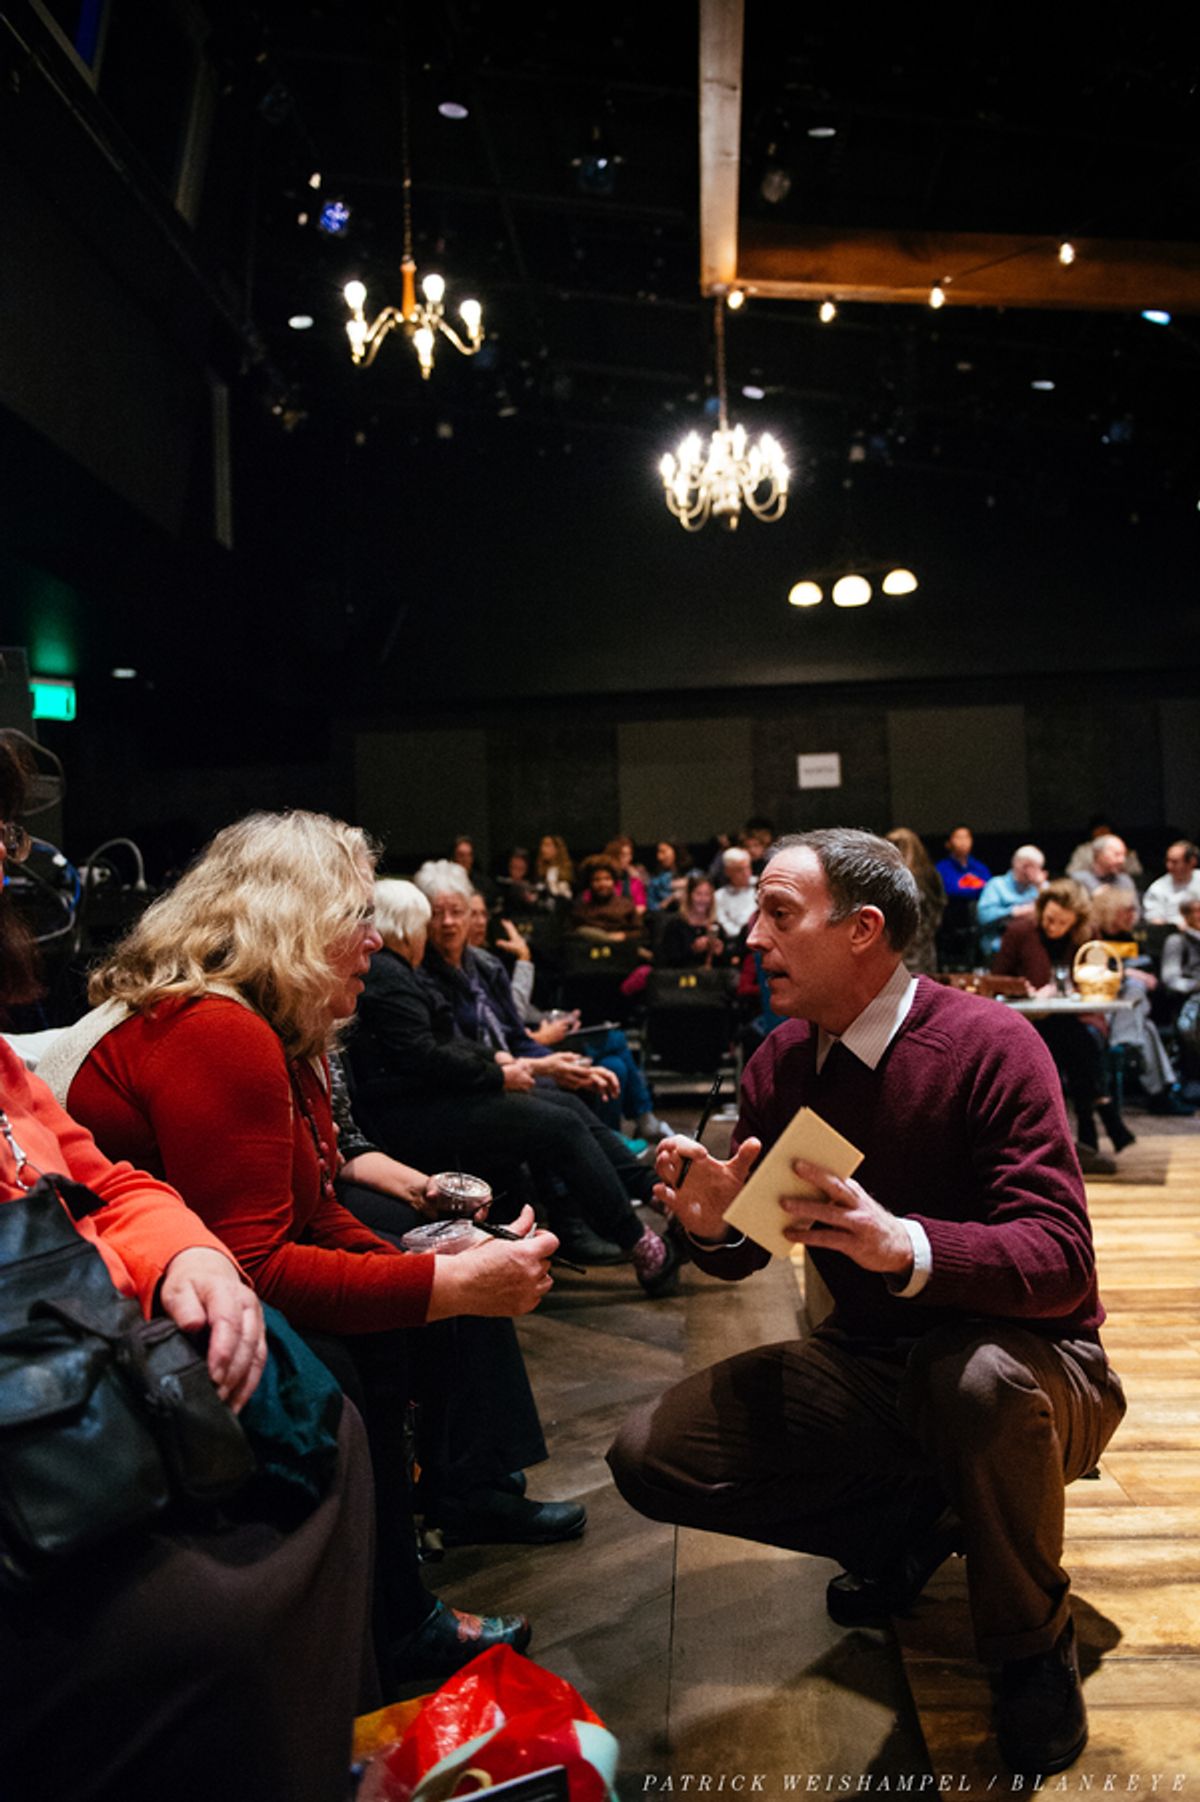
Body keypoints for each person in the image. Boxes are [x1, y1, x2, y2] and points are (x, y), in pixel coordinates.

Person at [607, 828, 1125, 1778]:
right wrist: (715, 1222)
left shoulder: (991, 1044)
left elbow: (1062, 1262)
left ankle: (1027, 1646)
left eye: (779, 915)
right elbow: (744, 1254)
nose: (751, 940)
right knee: (652, 1455)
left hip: (1037, 1371)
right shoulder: (781, 1065)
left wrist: (909, 1245)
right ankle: (923, 1520)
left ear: (864, 930)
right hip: (880, 1366)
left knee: (971, 1381)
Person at [44, 811, 557, 1687]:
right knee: (337, 1364)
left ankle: (394, 1602)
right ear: (293, 919)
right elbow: (261, 1267)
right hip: (93, 1308)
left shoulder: (277, 1027)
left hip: (163, 1276)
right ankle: (381, 1631)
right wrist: (445, 1283)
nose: (375, 941)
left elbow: (315, 1212)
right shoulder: (219, 1028)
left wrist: (438, 1269)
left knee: (397, 1315)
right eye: (356, 915)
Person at [0, 745, 373, 1802]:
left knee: (310, 1392)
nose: (8, 866)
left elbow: (97, 1175)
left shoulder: (271, 1025)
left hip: (65, 1337)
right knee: (310, 1411)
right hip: (46, 1369)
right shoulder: (222, 1026)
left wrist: (184, 1249)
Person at [350, 873, 683, 1289]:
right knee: (557, 1122)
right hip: (413, 1111)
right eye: (431, 920)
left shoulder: (407, 970)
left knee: (570, 1106)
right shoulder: (394, 973)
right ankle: (643, 1244)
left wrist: (502, 1061)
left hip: (432, 1095)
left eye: (460, 913)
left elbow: (445, 1043)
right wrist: (500, 1072)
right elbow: (425, 1055)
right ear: (408, 926)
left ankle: (658, 1197)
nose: (442, 927)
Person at [992, 878, 1132, 1166]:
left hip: (1074, 1016)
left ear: (1076, 921)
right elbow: (997, 979)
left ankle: (1091, 1137)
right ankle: (1100, 1118)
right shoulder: (1020, 931)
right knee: (1076, 1041)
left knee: (1075, 1038)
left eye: (1062, 923)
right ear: (1042, 909)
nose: (1053, 926)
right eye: (1049, 918)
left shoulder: (1086, 934)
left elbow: (1095, 977)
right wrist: (1025, 990)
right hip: (1033, 1019)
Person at [1087, 887, 1193, 1116]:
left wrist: (1141, 977)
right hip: (1102, 1006)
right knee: (1136, 997)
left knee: (1145, 1023)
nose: (1133, 915)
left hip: (1128, 1014)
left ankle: (1130, 1045)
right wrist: (1127, 974)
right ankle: (1160, 1094)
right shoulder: (1093, 936)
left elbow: (1151, 977)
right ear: (1111, 910)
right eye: (1127, 910)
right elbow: (1092, 973)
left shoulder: (1132, 937)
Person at [885, 828, 945, 973]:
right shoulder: (931, 875)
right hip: (925, 947)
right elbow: (939, 909)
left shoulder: (891, 880)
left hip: (896, 949)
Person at [976, 844, 1047, 962]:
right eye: (1034, 868)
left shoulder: (1040, 886)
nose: (1037, 872)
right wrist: (1013, 912)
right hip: (999, 944)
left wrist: (1040, 887)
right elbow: (983, 917)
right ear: (1022, 866)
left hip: (1032, 946)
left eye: (1038, 868)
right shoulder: (996, 885)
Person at [657, 873, 727, 967]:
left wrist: (719, 953)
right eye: (698, 894)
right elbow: (667, 960)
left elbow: (725, 964)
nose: (703, 899)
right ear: (689, 896)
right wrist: (693, 949)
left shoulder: (716, 927)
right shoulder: (675, 925)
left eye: (707, 895)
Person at [570, 855, 642, 942]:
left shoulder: (626, 905)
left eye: (607, 879)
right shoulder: (580, 910)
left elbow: (641, 932)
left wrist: (624, 935)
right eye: (596, 880)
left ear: (614, 881)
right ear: (589, 883)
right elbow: (570, 934)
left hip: (620, 950)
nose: (602, 884)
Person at [1073, 835, 1140, 917]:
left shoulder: (1125, 881)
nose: (1122, 860)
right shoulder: (1078, 880)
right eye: (1117, 854)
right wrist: (1093, 899)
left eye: (1123, 855)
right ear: (1098, 854)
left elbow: (1136, 914)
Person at [1142, 840, 1200, 927]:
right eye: (1167, 861)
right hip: (1175, 933)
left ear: (1192, 862)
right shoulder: (1157, 888)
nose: (1169, 866)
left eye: (1175, 862)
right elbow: (1154, 920)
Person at [713, 846, 758, 946]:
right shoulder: (719, 896)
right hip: (735, 944)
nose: (746, 873)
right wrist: (743, 934)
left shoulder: (760, 887)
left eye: (748, 867)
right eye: (740, 870)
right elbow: (725, 926)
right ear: (728, 872)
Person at [935, 824, 990, 898]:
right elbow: (948, 891)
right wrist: (975, 886)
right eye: (958, 837)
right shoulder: (941, 868)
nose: (963, 841)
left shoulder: (980, 867)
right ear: (948, 844)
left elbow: (989, 889)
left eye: (967, 837)